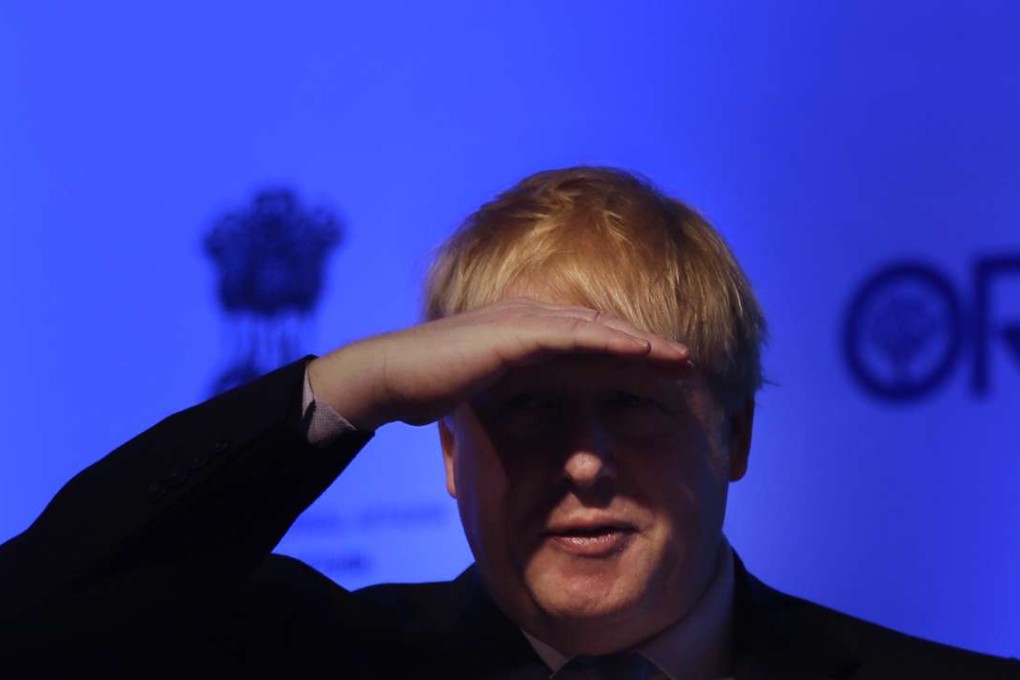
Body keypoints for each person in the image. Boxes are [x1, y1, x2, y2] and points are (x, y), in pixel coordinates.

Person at [0, 167, 1015, 678]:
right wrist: (348, 385)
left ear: (737, 433)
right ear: (445, 443)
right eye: (524, 405)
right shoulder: (309, 654)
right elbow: (31, 617)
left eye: (633, 401)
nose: (582, 459)